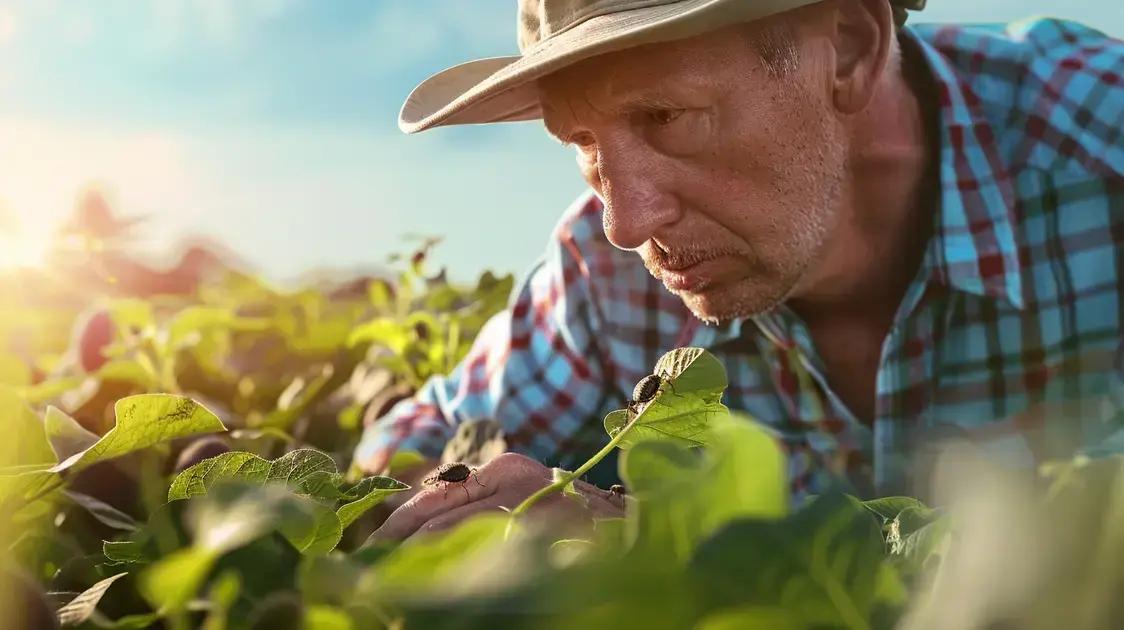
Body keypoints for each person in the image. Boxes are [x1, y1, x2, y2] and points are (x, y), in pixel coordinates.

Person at [358, 0, 1124, 541]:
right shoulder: (603, 269)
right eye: (584, 143)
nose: (627, 223)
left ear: (851, 46)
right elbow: (415, 446)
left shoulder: (1102, 153)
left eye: (668, 117)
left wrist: (658, 540)